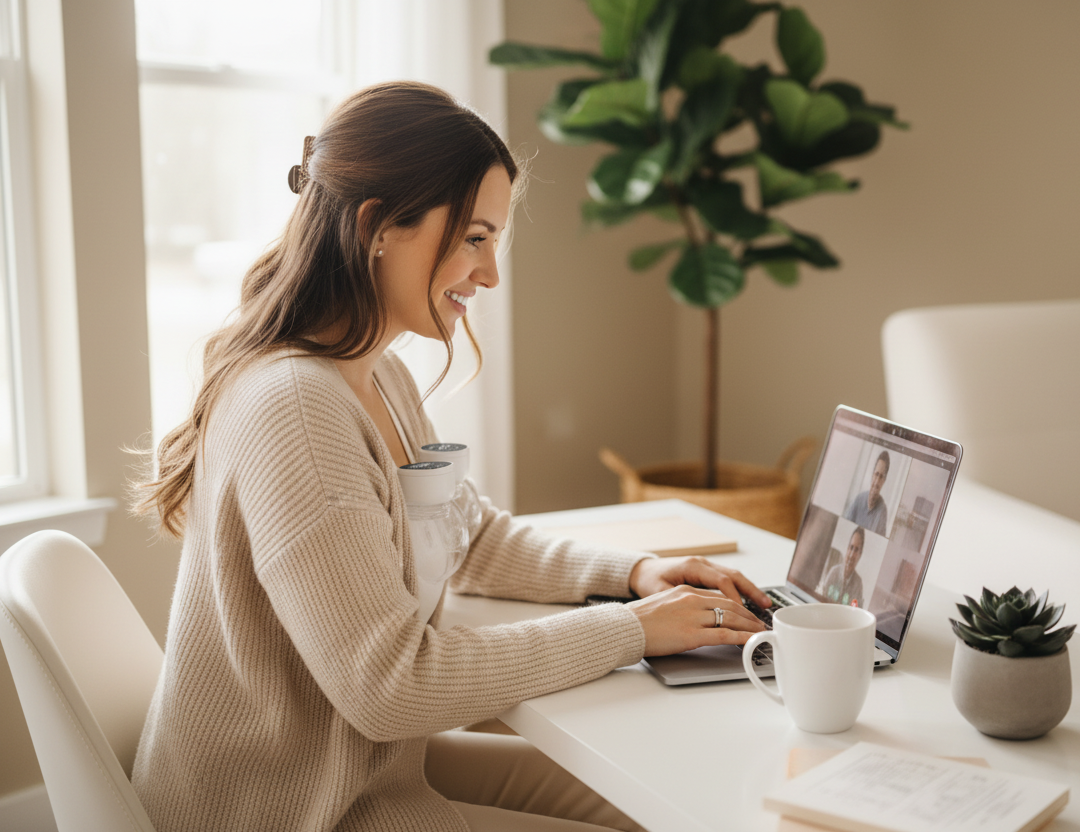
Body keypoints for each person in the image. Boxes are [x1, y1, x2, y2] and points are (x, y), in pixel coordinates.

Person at [129, 81, 769, 832]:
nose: (490, 274)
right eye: (474, 238)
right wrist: (634, 629)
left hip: (359, 769)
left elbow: (472, 535)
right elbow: (390, 685)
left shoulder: (376, 374)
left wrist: (632, 577)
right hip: (288, 807)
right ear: (377, 226)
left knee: (662, 800)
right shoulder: (297, 408)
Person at [845, 450, 891, 536]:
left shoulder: (882, 511)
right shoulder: (858, 499)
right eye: (876, 474)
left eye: (881, 477)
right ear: (872, 475)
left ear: (884, 481)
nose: (877, 482)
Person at [818, 526, 866, 606]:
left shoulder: (858, 584)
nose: (851, 555)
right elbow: (821, 600)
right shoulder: (833, 572)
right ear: (847, 549)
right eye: (851, 547)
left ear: (860, 555)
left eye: (856, 550)